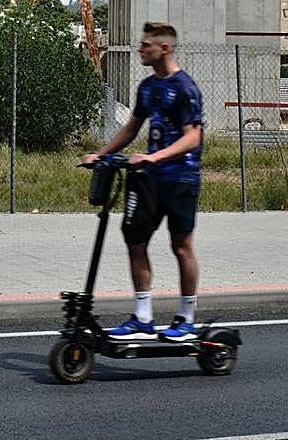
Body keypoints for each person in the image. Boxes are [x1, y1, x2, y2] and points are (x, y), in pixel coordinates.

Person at [85, 21, 204, 342]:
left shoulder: (185, 88)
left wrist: (154, 157)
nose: (140, 48)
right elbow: (131, 128)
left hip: (181, 178)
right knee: (135, 241)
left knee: (181, 247)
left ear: (164, 48)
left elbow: (193, 137)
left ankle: (186, 318)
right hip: (150, 180)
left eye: (146, 44)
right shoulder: (148, 87)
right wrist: (101, 153)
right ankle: (142, 317)